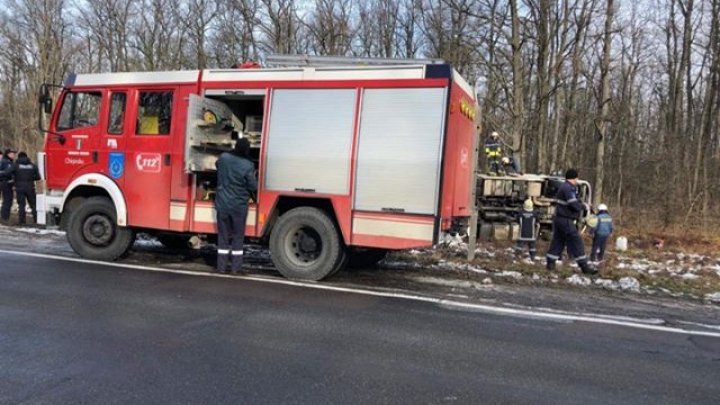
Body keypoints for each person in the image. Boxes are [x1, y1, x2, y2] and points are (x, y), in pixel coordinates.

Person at [214, 137, 257, 274]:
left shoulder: (224, 158)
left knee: (223, 236)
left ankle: (221, 268)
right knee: (238, 237)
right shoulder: (247, 164)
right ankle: (235, 268)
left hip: (222, 205)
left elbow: (217, 165)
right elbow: (253, 186)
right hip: (238, 207)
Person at [545, 169, 597, 274]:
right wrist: (583, 206)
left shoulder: (563, 187)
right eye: (576, 178)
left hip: (559, 219)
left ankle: (550, 263)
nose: (577, 180)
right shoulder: (569, 188)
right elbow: (572, 203)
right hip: (566, 219)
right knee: (576, 240)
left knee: (558, 241)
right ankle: (584, 266)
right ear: (573, 178)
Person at [1, 152, 41, 225]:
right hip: (30, 187)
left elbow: (7, 173)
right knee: (33, 204)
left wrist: (14, 177)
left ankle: (22, 222)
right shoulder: (32, 165)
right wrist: (31, 179)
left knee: (21, 205)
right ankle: (37, 220)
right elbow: (38, 177)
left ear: (19, 157)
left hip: (19, 188)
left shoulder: (16, 165)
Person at [0, 148, 16, 224]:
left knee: (7, 201)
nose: (14, 155)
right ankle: (4, 218)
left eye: (14, 154)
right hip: (6, 183)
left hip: (5, 183)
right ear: (8, 154)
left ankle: (4, 217)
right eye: (12, 153)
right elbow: (8, 173)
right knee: (7, 201)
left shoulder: (6, 161)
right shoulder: (7, 162)